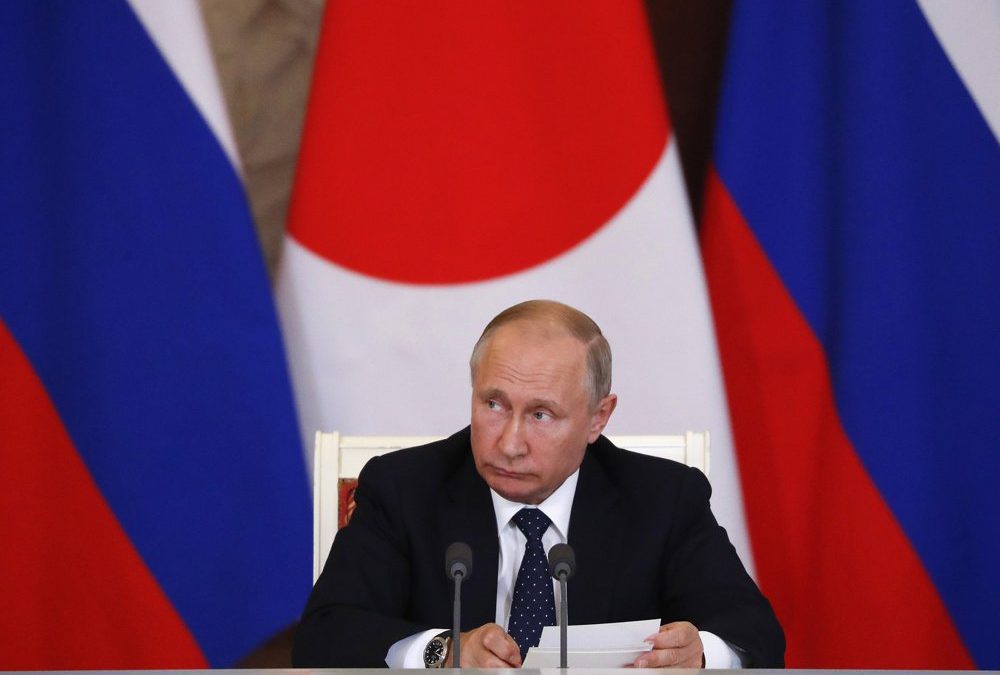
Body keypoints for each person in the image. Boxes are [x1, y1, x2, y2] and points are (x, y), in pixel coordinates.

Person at [293, 300, 784, 668]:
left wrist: (701, 654)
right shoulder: (404, 489)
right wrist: (444, 651)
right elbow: (324, 636)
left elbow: (755, 635)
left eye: (542, 414)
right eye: (494, 404)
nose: (509, 443)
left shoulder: (663, 498)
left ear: (598, 418)